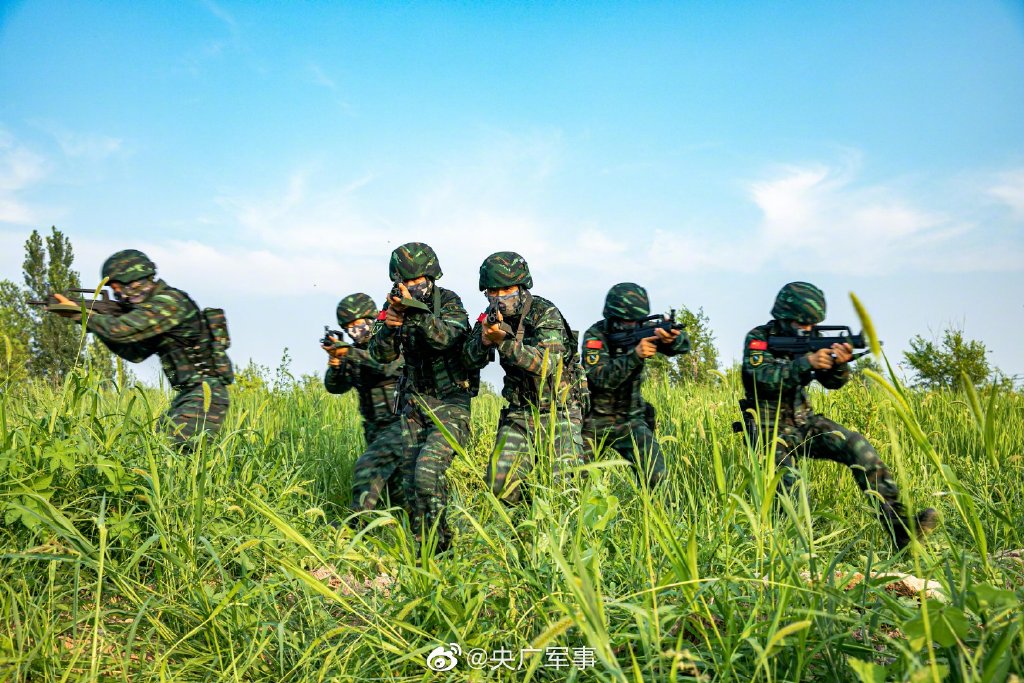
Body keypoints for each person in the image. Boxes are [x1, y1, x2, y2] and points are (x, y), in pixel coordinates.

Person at [739, 281, 938, 549]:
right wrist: (806, 363)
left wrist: (838, 365)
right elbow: (760, 377)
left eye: (812, 323)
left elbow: (833, 383)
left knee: (857, 447)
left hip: (804, 423)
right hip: (768, 429)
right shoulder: (759, 338)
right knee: (788, 486)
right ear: (784, 316)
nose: (808, 329)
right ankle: (784, 551)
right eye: (801, 323)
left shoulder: (812, 340)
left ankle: (901, 529)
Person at [54, 249, 232, 446]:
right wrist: (97, 325)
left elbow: (120, 330)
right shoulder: (154, 311)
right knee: (158, 447)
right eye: (114, 290)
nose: (118, 295)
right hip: (189, 395)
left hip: (206, 394)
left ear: (134, 280)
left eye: (119, 288)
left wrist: (81, 315)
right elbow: (136, 353)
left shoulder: (169, 302)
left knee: (176, 450)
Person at [367, 242, 478, 553]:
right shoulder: (392, 306)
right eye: (408, 281)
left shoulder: (450, 302)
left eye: (419, 280)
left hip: (450, 403)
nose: (415, 286)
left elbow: (446, 338)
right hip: (415, 404)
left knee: (427, 474)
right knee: (410, 483)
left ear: (432, 277)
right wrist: (389, 328)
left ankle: (444, 548)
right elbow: (379, 353)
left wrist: (414, 313)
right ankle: (424, 551)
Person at [463, 251, 586, 504]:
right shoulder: (488, 317)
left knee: (563, 491)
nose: (499, 297)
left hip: (559, 411)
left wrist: (503, 343)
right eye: (493, 292)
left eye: (507, 290)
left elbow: (546, 364)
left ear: (521, 287)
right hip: (520, 411)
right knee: (500, 486)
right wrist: (483, 341)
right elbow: (467, 360)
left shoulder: (544, 312)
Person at [581, 283, 689, 488]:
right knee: (579, 481)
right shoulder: (595, 336)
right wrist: (635, 356)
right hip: (594, 420)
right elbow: (599, 379)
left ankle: (657, 509)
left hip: (631, 419)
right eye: (626, 321)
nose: (632, 325)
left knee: (657, 479)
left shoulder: (645, 330)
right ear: (612, 316)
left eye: (636, 320)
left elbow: (683, 347)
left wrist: (672, 339)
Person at [323, 293, 405, 513]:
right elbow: (335, 387)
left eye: (359, 325)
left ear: (372, 320)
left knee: (368, 467)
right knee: (397, 493)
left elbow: (386, 367)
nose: (355, 331)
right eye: (349, 328)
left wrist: (349, 353)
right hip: (375, 429)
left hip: (402, 423)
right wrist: (335, 363)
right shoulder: (353, 353)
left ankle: (356, 522)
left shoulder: (392, 340)